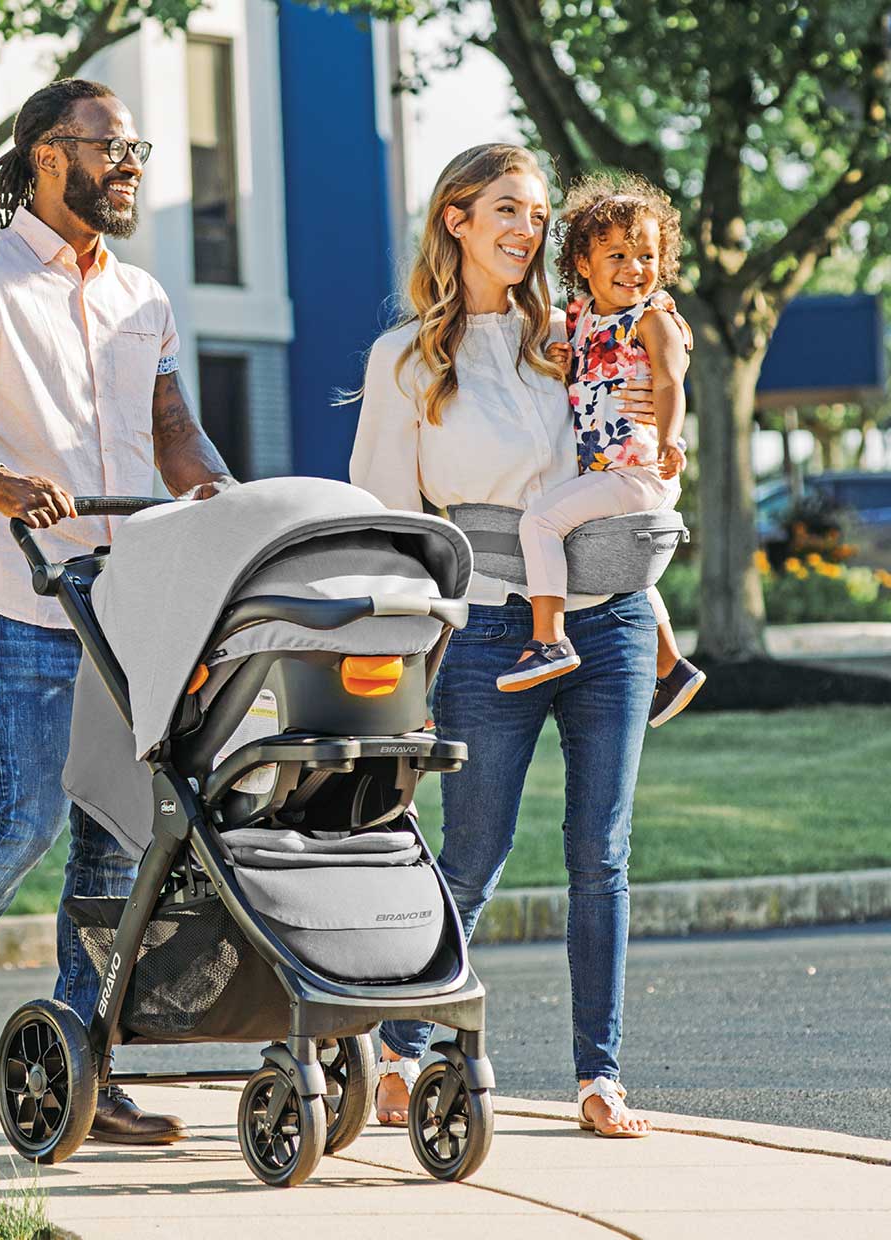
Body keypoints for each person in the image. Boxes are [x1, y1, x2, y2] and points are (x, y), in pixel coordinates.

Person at [0, 78, 232, 1145]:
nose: (133, 165)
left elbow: (175, 435)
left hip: (132, 606)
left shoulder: (144, 298)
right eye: (112, 148)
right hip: (22, 594)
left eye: (137, 149)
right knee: (25, 817)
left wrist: (230, 507)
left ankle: (80, 1066)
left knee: (114, 840)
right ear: (47, 155)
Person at [350, 143, 658, 1138]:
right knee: (471, 853)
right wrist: (404, 658)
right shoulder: (403, 360)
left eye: (536, 216)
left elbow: (636, 451)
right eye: (506, 212)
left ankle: (598, 1076)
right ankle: (402, 1045)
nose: (528, 232)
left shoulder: (578, 336)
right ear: (457, 220)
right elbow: (389, 523)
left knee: (599, 852)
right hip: (486, 628)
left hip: (603, 620)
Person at [498, 172, 706, 728]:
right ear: (583, 265)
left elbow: (668, 381)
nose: (634, 268)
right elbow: (592, 371)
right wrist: (570, 358)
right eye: (616, 254)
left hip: (640, 467)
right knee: (618, 568)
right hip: (608, 468)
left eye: (645, 254)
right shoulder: (585, 315)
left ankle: (548, 639)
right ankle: (673, 667)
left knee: (540, 523)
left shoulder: (653, 316)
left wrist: (669, 436)